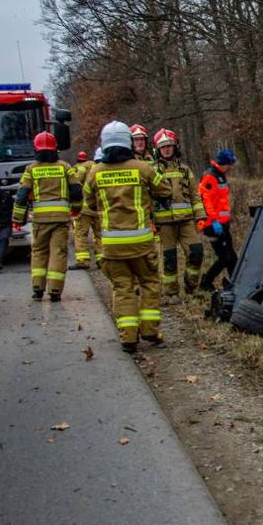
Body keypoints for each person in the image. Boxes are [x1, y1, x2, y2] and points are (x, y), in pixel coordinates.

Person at [82, 122, 172, 353]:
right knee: (149, 283)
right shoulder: (142, 168)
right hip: (141, 243)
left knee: (122, 288)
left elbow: (88, 203)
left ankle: (128, 338)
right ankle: (150, 331)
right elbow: (165, 191)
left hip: (111, 245)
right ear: (128, 142)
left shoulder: (95, 172)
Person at [12, 132, 82, 301]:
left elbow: (22, 195)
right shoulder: (65, 167)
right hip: (61, 218)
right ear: (55, 148)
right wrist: (75, 210)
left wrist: (17, 219)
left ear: (36, 148)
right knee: (58, 252)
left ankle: (37, 288)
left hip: (40, 220)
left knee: (39, 252)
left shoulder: (31, 169)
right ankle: (55, 291)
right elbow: (76, 191)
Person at [152, 129, 206, 299]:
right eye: (163, 147)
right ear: (157, 149)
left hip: (187, 221)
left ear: (175, 147)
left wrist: (201, 216)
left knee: (196, 252)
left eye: (169, 146)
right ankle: (171, 293)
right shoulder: (152, 170)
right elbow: (147, 197)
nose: (167, 149)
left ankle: (191, 287)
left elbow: (194, 195)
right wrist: (149, 221)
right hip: (164, 222)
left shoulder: (185, 170)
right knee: (169, 259)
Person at [198, 148, 237, 291]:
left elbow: (221, 201)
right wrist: (214, 221)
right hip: (212, 225)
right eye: (229, 164)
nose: (231, 167)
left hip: (222, 223)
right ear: (224, 163)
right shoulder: (210, 176)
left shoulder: (221, 175)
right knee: (225, 258)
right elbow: (205, 200)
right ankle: (206, 283)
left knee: (232, 257)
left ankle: (236, 283)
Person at [68, 151, 95, 269]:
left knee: (80, 233)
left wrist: (74, 206)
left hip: (85, 207)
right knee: (99, 234)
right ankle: (101, 260)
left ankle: (83, 261)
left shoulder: (79, 168)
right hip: (98, 206)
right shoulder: (98, 166)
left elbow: (76, 186)